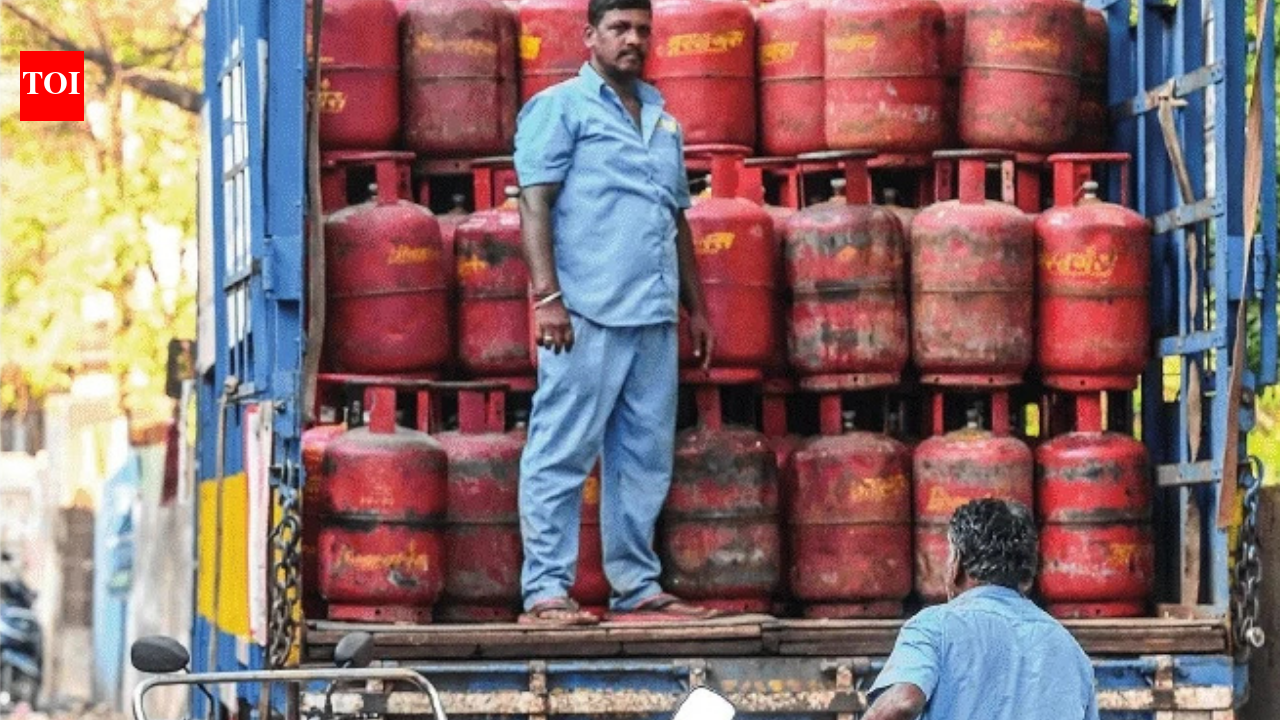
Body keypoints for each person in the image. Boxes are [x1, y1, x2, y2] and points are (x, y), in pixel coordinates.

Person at [512, 0, 716, 625]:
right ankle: (546, 591)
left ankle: (637, 585)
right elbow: (534, 204)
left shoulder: (661, 118)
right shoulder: (560, 108)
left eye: (643, 30)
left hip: (652, 314)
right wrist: (547, 298)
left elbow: (675, 218)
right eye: (619, 28)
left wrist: (696, 307)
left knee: (643, 457)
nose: (633, 40)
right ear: (590, 35)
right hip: (586, 312)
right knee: (561, 450)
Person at [863, 499, 1100, 720]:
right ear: (1027, 576)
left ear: (957, 564)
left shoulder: (935, 627)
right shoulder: (1070, 650)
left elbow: (902, 702)